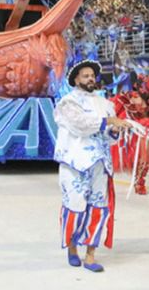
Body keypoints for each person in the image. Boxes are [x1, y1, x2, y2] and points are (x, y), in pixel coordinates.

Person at [54, 60, 130, 272]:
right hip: (74, 163)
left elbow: (109, 137)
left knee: (98, 208)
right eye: (85, 75)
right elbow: (80, 126)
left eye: (92, 75)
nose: (89, 78)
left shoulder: (105, 103)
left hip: (100, 164)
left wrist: (115, 131)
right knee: (75, 206)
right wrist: (109, 122)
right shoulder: (67, 103)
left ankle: (90, 255)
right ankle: (72, 248)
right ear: (76, 79)